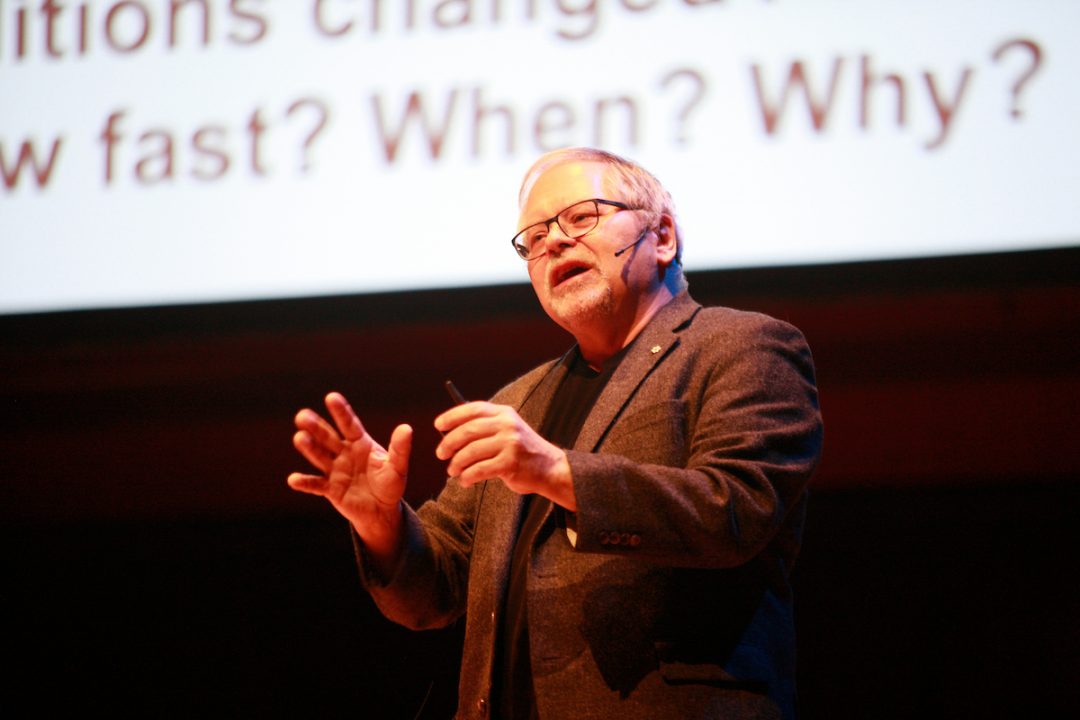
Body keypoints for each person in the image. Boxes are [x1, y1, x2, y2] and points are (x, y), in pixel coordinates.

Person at [288, 148, 823, 719]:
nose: (554, 243)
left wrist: (554, 471)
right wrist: (382, 523)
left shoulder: (741, 346)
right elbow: (433, 594)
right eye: (534, 238)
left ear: (662, 236)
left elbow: (736, 510)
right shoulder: (518, 401)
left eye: (581, 217)